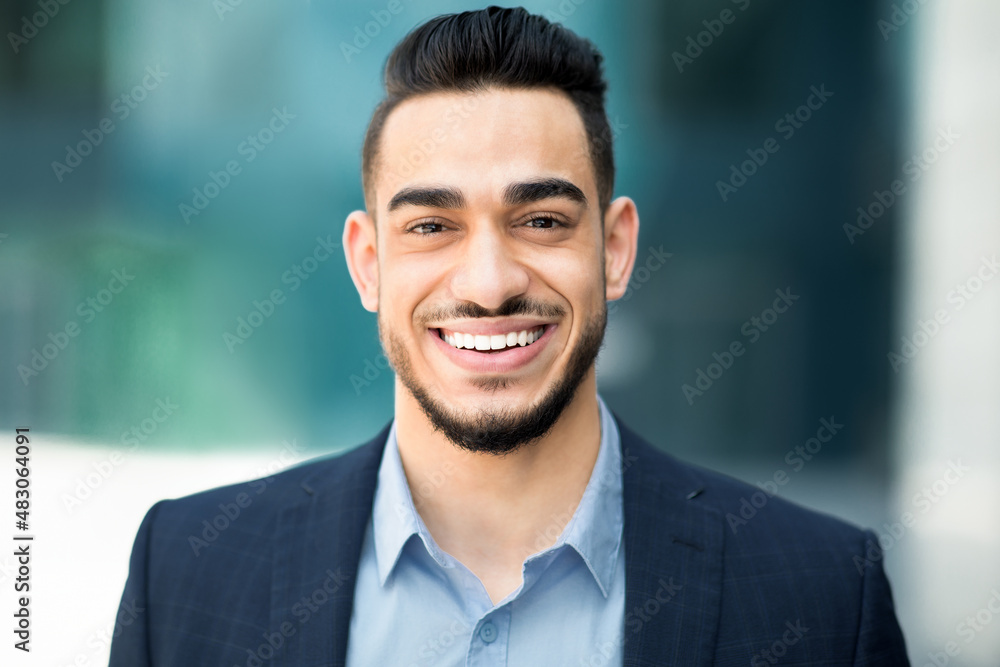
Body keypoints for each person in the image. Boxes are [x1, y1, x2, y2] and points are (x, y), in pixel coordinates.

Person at [109, 6, 910, 665]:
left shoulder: (825, 598)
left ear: (616, 248)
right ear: (367, 262)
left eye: (541, 220)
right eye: (431, 224)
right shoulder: (188, 574)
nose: (489, 283)